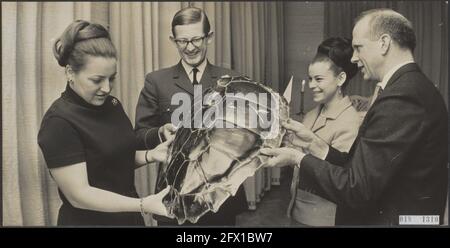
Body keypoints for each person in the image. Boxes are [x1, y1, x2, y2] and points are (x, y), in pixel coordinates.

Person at [262, 8, 448, 225]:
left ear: (384, 43)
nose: (353, 57)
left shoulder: (403, 96)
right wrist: (315, 144)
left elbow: (357, 187)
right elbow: (362, 168)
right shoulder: (409, 87)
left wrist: (298, 158)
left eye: (358, 47)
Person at [38, 20, 172, 226]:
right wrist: (143, 204)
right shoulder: (58, 122)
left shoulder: (112, 105)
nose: (107, 88)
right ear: (70, 73)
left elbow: (112, 158)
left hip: (129, 219)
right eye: (97, 80)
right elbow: (79, 195)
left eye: (112, 78)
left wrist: (150, 155)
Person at [134, 7, 247, 226]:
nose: (190, 47)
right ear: (173, 40)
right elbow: (138, 135)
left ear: (210, 37)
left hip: (220, 193)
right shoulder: (156, 81)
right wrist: (160, 132)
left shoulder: (231, 79)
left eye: (196, 39)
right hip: (173, 193)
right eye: (182, 41)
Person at [288, 37, 360, 226]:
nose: (311, 85)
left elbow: (337, 178)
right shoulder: (311, 114)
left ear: (341, 78)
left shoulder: (350, 122)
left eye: (319, 79)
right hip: (298, 210)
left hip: (323, 217)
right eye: (310, 78)